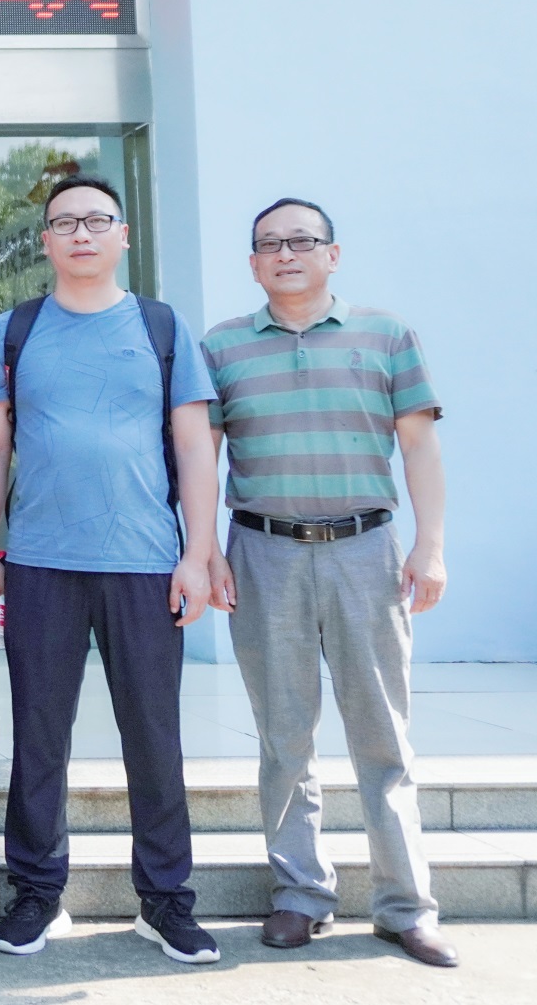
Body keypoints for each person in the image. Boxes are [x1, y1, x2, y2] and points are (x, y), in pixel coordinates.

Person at [0, 174, 222, 964]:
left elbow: (195, 445)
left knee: (153, 735)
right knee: (39, 735)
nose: (81, 233)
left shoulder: (161, 326)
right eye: (64, 223)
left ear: (122, 235)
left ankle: (166, 900)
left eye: (96, 220)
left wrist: (197, 553)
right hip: (40, 561)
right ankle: (37, 894)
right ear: (46, 240)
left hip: (145, 561)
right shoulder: (14, 330)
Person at [204, 198, 458, 968]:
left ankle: (405, 905)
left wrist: (431, 546)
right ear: (253, 263)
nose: (286, 253)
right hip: (264, 550)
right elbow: (201, 456)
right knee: (284, 735)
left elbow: (419, 448)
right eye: (270, 244)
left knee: (382, 733)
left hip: (365, 550)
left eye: (301, 240)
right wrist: (205, 548)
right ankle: (300, 893)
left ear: (332, 254)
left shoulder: (387, 335)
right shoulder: (222, 347)